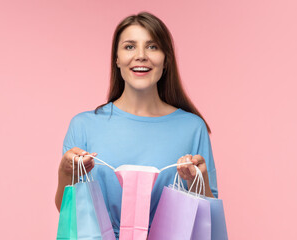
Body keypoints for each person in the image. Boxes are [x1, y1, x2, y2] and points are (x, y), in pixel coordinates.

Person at [55, 11, 218, 239]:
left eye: (152, 47)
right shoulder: (84, 125)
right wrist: (65, 172)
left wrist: (196, 182)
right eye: (130, 47)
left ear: (166, 59)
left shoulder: (192, 127)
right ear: (117, 59)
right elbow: (68, 211)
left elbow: (206, 217)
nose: (141, 56)